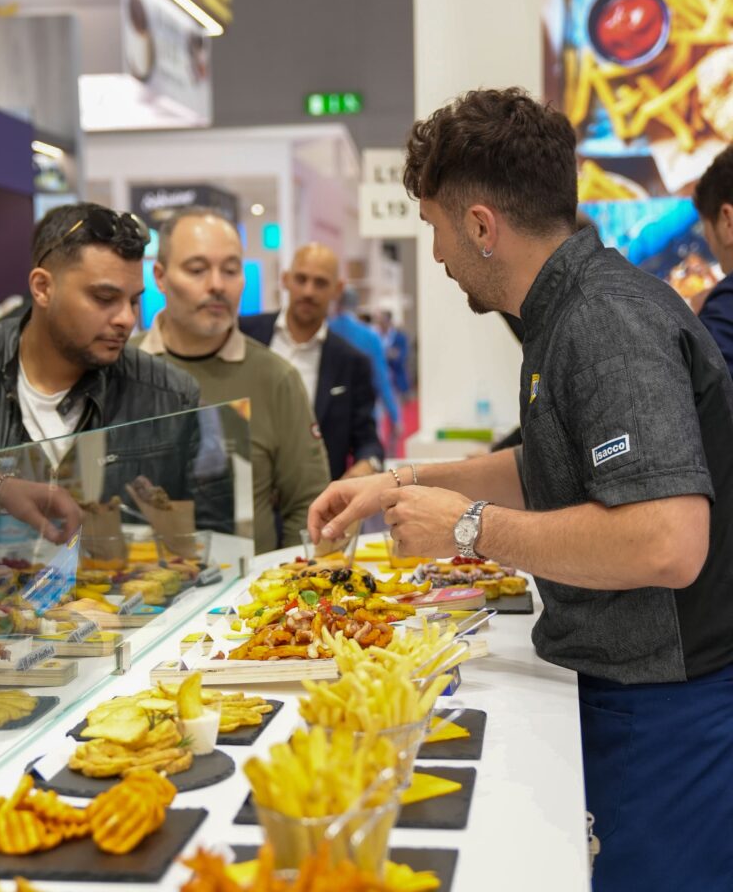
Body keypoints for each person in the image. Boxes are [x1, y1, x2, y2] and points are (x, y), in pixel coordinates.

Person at [309, 88, 733, 891]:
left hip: (664, 707)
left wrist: (468, 527)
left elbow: (667, 540)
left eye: (434, 227)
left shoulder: (604, 322)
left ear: (480, 225)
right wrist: (400, 481)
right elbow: (555, 463)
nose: (437, 255)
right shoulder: (567, 309)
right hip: (622, 687)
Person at [0, 202, 230, 533]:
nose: (126, 319)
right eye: (105, 298)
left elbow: (214, 538)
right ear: (43, 288)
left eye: (133, 301)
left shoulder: (172, 396)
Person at [132, 211, 331, 553]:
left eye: (230, 270)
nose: (217, 285)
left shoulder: (275, 378)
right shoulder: (122, 368)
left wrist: (287, 576)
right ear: (160, 277)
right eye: (197, 270)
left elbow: (308, 504)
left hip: (250, 583)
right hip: (133, 580)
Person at [239, 243, 384, 480]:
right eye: (301, 279)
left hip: (317, 496)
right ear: (285, 280)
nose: (308, 291)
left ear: (338, 289)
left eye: (320, 283)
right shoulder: (243, 334)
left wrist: (367, 465)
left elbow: (368, 441)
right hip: (246, 489)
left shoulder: (351, 363)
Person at [330, 288, 401, 452]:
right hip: (365, 414)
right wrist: (395, 416)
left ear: (337, 304)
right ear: (356, 306)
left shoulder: (326, 331)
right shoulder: (370, 336)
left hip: (329, 414)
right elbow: (381, 378)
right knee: (368, 459)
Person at [692, 145, 733, 377]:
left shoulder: (724, 310)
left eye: (707, 236)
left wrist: (696, 328)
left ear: (728, 221)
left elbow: (712, 392)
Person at [376, 309, 411, 400]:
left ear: (389, 321)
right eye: (379, 321)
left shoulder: (399, 337)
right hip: (381, 381)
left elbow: (401, 358)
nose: (380, 324)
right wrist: (389, 354)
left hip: (397, 382)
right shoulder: (376, 337)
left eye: (382, 321)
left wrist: (386, 355)